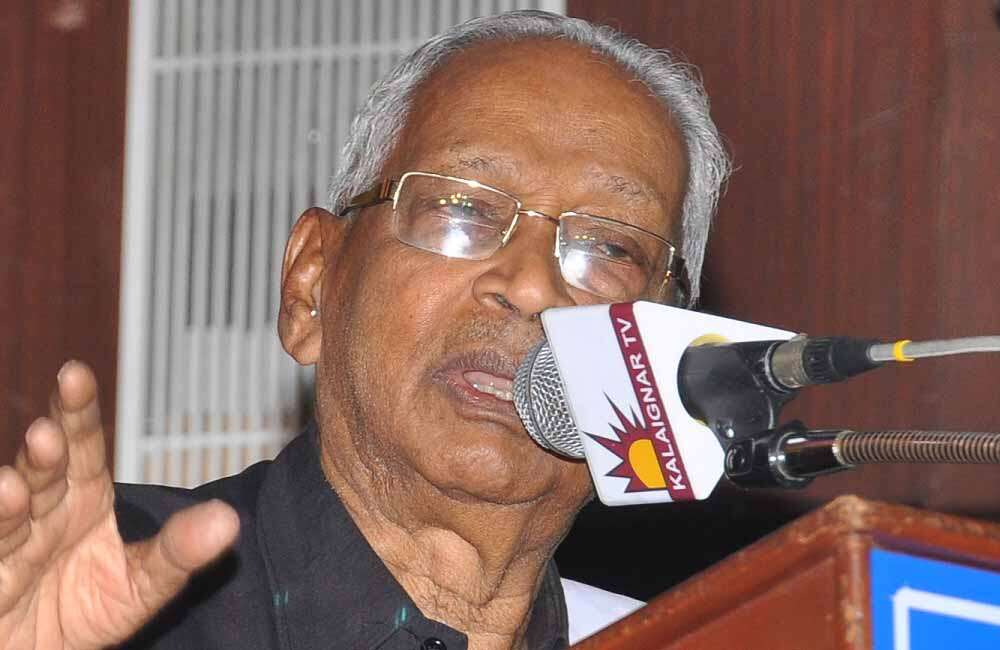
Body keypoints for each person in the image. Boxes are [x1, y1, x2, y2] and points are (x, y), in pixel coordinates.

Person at [0, 10, 728, 650]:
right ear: (312, 283)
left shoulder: (709, 635)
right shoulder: (97, 595)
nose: (532, 286)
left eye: (610, 248)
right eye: (463, 209)